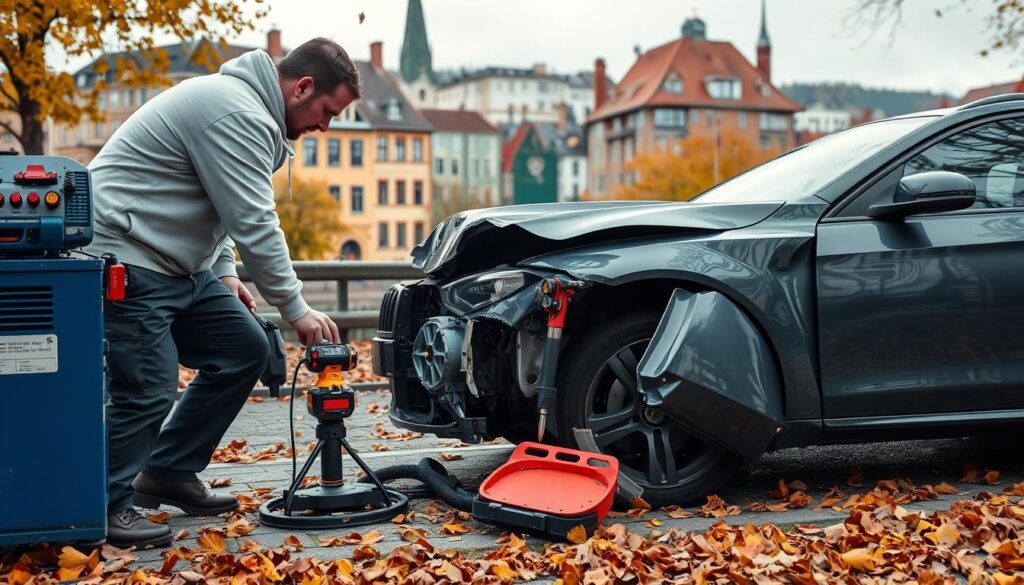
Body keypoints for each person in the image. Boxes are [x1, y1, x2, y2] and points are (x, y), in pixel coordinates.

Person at [83, 38, 361, 548]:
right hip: (127, 254)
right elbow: (255, 219)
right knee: (147, 385)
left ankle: (167, 470)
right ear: (301, 87)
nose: (327, 126)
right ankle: (103, 505)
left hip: (176, 263)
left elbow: (220, 204)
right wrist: (295, 308)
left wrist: (225, 270)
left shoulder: (246, 111)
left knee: (244, 348)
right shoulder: (235, 112)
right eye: (327, 111)